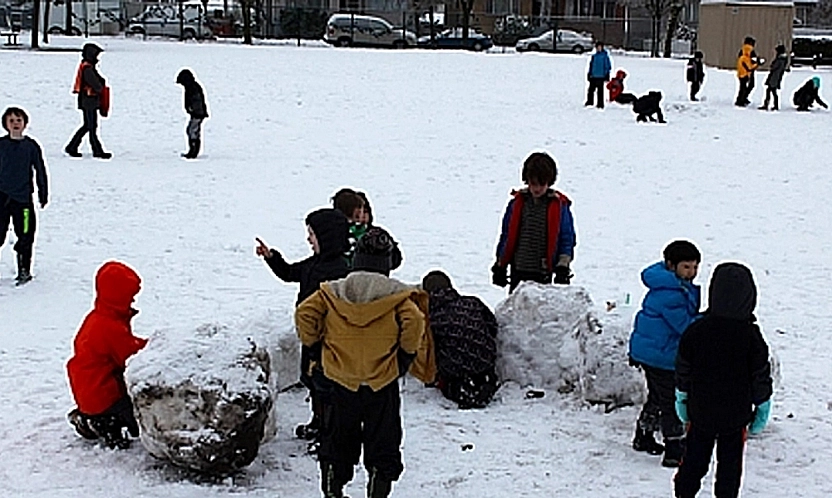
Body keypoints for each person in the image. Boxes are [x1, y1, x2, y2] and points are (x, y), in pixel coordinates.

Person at [295, 231, 426, 498]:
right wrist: (405, 356)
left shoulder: (334, 290)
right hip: (382, 380)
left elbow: (305, 314)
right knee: (383, 438)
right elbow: (415, 322)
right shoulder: (397, 295)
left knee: (338, 436)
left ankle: (333, 486)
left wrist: (316, 346)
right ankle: (378, 485)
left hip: (341, 379)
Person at [674, 262, 774, 498]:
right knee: (730, 466)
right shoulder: (751, 336)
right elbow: (760, 374)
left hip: (700, 411)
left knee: (694, 460)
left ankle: (683, 493)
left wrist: (682, 396)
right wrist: (762, 405)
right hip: (736, 415)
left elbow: (683, 368)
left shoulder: (697, 330)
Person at [255, 208, 351, 449]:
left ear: (326, 238)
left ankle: (331, 435)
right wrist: (271, 257)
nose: (308, 239)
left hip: (330, 341)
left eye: (312, 235)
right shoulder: (315, 263)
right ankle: (318, 422)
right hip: (311, 338)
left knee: (328, 387)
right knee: (312, 381)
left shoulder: (340, 270)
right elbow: (289, 273)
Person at [628, 240, 701, 467]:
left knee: (657, 396)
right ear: (671, 265)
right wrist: (706, 322)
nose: (692, 272)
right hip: (661, 355)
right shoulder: (672, 294)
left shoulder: (670, 286)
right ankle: (674, 448)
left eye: (695, 267)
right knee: (670, 401)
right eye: (686, 267)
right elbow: (684, 326)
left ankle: (643, 436)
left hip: (651, 351)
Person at [66, 261, 148, 449]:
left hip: (88, 392)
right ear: (118, 296)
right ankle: (104, 424)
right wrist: (152, 346)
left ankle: (89, 418)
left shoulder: (98, 317)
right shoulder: (110, 327)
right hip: (103, 395)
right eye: (130, 296)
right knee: (138, 421)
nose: (133, 301)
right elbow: (129, 356)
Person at [492, 151, 577, 292]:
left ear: (549, 182)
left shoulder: (559, 207)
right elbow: (506, 235)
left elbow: (566, 238)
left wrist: (563, 266)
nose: (537, 189)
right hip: (518, 269)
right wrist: (500, 265)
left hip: (543, 272)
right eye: (533, 183)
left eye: (541, 184)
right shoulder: (517, 204)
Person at [422, 270, 499, 409]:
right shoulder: (472, 302)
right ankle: (483, 380)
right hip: (485, 359)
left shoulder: (431, 316)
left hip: (454, 366)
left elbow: (427, 346)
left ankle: (459, 387)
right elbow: (492, 325)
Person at [0, 107, 48, 285]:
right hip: (2, 198)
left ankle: (24, 269)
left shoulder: (31, 146)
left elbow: (40, 169)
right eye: (11, 121)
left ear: (25, 124)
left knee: (26, 234)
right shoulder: (1, 145)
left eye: (18, 120)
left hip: (23, 201)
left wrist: (43, 192)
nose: (15, 124)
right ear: (6, 124)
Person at [65, 43, 111, 159]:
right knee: (91, 126)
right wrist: (101, 87)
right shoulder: (88, 68)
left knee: (88, 126)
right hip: (89, 100)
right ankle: (97, 150)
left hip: (88, 100)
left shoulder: (87, 67)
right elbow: (96, 85)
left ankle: (72, 147)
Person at [355, 191, 403, 272]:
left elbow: (396, 258)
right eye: (357, 214)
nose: (362, 217)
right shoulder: (343, 234)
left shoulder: (379, 234)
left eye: (365, 212)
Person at [175, 69, 209, 159]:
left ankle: (193, 152)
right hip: (197, 113)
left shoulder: (192, 88)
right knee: (191, 130)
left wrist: (193, 110)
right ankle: (192, 151)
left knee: (192, 131)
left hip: (197, 113)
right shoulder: (191, 87)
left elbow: (196, 100)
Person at [759, 45, 789, 111]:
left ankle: (770, 105)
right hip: (776, 77)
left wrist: (773, 64)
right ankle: (773, 105)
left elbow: (773, 66)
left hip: (774, 77)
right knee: (771, 91)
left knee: (771, 91)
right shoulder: (783, 59)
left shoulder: (780, 59)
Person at [585, 41, 612, 109]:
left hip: (601, 76)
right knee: (591, 90)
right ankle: (590, 102)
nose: (598, 48)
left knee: (600, 91)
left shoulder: (605, 56)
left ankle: (600, 103)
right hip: (593, 76)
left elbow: (607, 66)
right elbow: (591, 65)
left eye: (600, 47)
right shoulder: (594, 56)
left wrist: (607, 74)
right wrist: (589, 73)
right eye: (597, 47)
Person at [735, 36, 759, 107]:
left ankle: (741, 98)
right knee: (750, 85)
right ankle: (742, 99)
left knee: (742, 86)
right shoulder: (751, 51)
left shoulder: (742, 50)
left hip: (741, 70)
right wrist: (756, 64)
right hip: (749, 70)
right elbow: (753, 60)